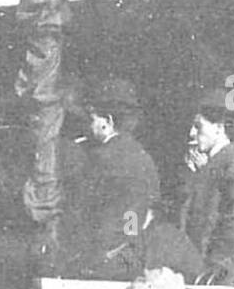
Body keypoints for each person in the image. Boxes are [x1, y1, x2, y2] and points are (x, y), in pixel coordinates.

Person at [60, 79, 161, 275]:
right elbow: (149, 214)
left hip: (98, 260)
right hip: (134, 256)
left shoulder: (97, 159)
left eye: (92, 119)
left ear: (108, 122)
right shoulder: (144, 158)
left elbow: (78, 211)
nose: (88, 127)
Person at [178, 99, 234, 285]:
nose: (191, 133)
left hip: (223, 275)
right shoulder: (216, 164)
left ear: (219, 128)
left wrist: (221, 268)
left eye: (198, 126)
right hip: (203, 269)